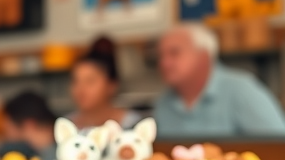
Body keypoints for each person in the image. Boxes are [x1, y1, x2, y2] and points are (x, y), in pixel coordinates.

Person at [154, 24, 285, 137]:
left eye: (174, 53)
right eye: (161, 55)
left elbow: (279, 149)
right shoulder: (163, 103)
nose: (164, 63)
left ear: (203, 56)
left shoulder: (243, 91)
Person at [66, 36, 142, 130]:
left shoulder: (132, 124)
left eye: (90, 81)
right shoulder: (67, 126)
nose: (80, 89)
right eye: (75, 81)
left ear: (112, 85)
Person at [0, 91, 57, 160]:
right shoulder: (41, 152)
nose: (3, 129)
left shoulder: (53, 158)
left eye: (8, 125)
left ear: (29, 125)